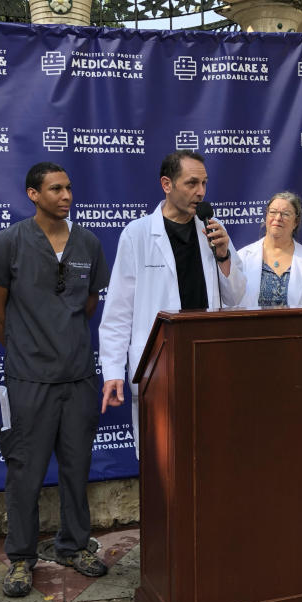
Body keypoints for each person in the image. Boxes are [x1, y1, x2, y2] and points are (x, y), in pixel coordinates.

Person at [0, 162, 110, 596]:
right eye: (55, 188)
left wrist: (62, 343)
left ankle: (73, 545)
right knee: (25, 473)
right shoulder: (9, 242)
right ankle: (20, 558)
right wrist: (25, 350)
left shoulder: (88, 243)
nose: (66, 195)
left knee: (77, 469)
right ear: (33, 194)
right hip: (28, 381)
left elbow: (88, 305)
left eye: (69, 187)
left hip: (77, 378)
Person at [99, 150, 247, 449]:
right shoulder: (137, 235)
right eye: (192, 183)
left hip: (207, 359)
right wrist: (112, 371)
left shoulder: (213, 230)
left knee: (211, 450)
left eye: (204, 183)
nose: (201, 192)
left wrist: (224, 255)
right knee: (163, 456)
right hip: (159, 364)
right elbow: (118, 312)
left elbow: (235, 297)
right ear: (167, 184)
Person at [236, 191, 302, 309]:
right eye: (273, 212)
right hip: (253, 327)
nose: (278, 218)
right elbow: (231, 302)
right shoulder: (243, 257)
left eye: (286, 214)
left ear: (295, 222)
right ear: (266, 216)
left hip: (301, 328)